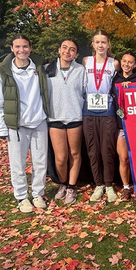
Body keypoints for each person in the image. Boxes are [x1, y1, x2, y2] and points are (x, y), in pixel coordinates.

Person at [0, 35, 50, 212]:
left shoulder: (39, 68)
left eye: (25, 46)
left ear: (30, 48)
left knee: (40, 162)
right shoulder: (3, 71)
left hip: (39, 121)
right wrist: (1, 127)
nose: (21, 50)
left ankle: (38, 193)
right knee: (18, 163)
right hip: (16, 125)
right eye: (17, 47)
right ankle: (22, 197)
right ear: (12, 48)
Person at [44, 39, 86, 204]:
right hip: (55, 118)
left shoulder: (81, 70)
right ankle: (62, 183)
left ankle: (71, 186)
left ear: (76, 54)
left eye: (72, 49)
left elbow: (85, 91)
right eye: (64, 48)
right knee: (61, 157)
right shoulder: (48, 69)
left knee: (74, 153)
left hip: (75, 117)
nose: (67, 52)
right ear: (59, 49)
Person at [82, 30, 120, 203]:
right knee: (93, 150)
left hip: (107, 112)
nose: (100, 45)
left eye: (103, 42)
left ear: (108, 44)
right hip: (88, 111)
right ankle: (98, 185)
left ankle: (109, 185)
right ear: (93, 44)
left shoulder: (114, 63)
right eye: (97, 42)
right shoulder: (86, 61)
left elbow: (118, 84)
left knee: (108, 150)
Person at [112, 52, 136, 201]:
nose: (126, 64)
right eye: (124, 61)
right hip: (120, 125)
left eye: (130, 62)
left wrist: (132, 88)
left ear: (135, 65)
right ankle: (126, 187)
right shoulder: (115, 78)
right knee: (123, 158)